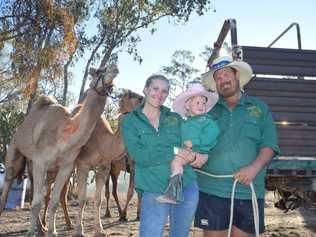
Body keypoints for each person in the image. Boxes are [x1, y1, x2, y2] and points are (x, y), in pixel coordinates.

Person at [195, 56, 280, 237]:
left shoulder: (259, 108)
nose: (223, 80)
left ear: (237, 76)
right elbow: (192, 141)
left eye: (226, 74)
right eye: (218, 77)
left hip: (249, 190)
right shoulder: (207, 111)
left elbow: (269, 145)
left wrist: (253, 167)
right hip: (212, 190)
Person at [121, 75, 206, 237]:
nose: (159, 94)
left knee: (180, 234)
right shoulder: (131, 121)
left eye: (164, 91)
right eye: (155, 89)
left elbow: (190, 145)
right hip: (154, 189)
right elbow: (140, 155)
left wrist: (196, 156)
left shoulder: (175, 118)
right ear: (146, 90)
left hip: (186, 186)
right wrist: (175, 151)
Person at [156, 82, 219, 204]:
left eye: (204, 103)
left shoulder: (207, 121)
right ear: (188, 106)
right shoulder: (185, 123)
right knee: (170, 157)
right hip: (185, 150)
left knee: (176, 162)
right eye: (197, 103)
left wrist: (194, 142)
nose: (201, 106)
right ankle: (173, 190)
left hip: (198, 151)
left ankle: (174, 194)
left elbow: (212, 136)